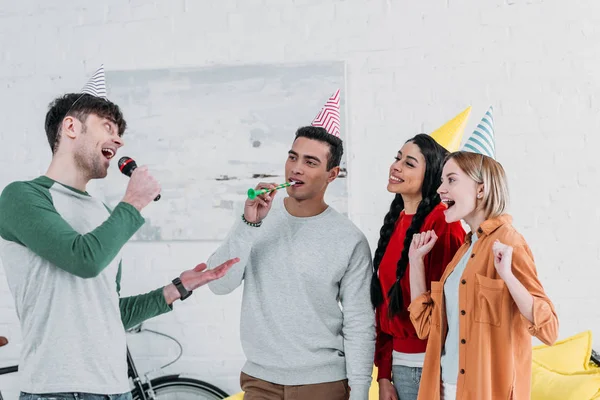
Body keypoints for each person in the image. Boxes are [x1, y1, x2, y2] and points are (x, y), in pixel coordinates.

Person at [0, 66, 238, 400]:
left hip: (116, 390)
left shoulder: (103, 212)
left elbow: (110, 313)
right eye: (107, 127)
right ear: (71, 127)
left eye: (120, 131)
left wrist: (177, 288)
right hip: (57, 392)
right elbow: (84, 259)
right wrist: (134, 202)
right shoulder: (23, 196)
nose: (119, 139)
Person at [206, 90, 376, 400]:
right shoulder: (256, 217)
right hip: (259, 380)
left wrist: (361, 393)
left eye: (310, 162)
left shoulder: (349, 240)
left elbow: (360, 322)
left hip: (322, 384)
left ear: (332, 175)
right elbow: (218, 284)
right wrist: (249, 224)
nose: (295, 168)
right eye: (292, 156)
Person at [407, 107, 559, 400]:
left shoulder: (509, 243)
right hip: (443, 390)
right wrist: (416, 263)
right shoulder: (464, 251)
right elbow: (427, 325)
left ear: (481, 189)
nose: (441, 189)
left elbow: (549, 328)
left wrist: (508, 278)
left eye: (451, 180)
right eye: (442, 181)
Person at [371, 134, 464, 400]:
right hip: (401, 369)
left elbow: (447, 311)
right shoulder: (395, 222)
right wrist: (385, 375)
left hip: (433, 368)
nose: (396, 166)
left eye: (409, 163)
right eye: (397, 158)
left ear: (432, 175)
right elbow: (386, 307)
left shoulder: (444, 226)